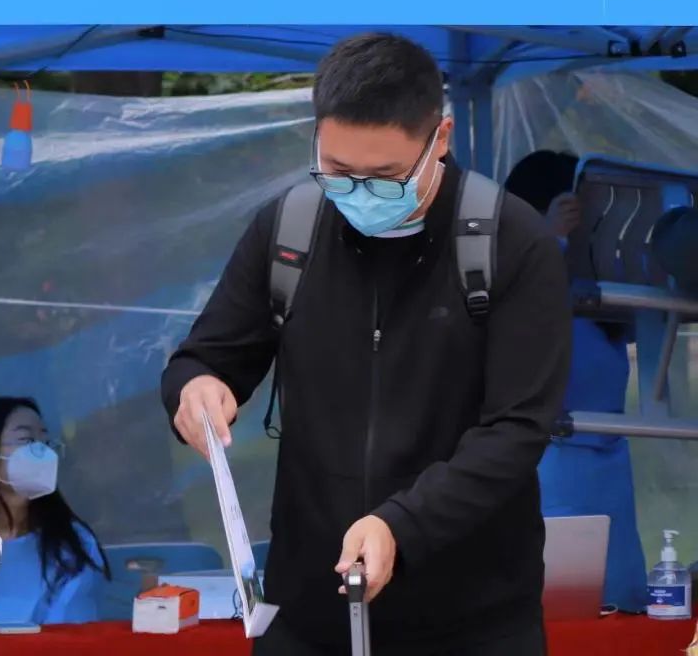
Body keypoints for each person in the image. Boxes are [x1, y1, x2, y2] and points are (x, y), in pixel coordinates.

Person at [161, 34, 571, 655]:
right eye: (337, 170)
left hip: (474, 620)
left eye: (384, 177)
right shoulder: (289, 230)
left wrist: (398, 524)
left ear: (441, 138)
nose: (358, 194)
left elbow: (517, 428)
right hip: (307, 615)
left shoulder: (509, 242)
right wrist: (195, 388)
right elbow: (206, 355)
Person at [505, 149, 648, 613]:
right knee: (558, 607)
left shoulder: (600, 280)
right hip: (551, 459)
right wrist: (548, 241)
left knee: (620, 602)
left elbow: (643, 322)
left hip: (609, 458)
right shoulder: (513, 272)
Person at [0, 397, 110, 626]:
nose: (42, 451)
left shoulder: (74, 544)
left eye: (45, 441)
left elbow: (73, 632)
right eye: (26, 440)